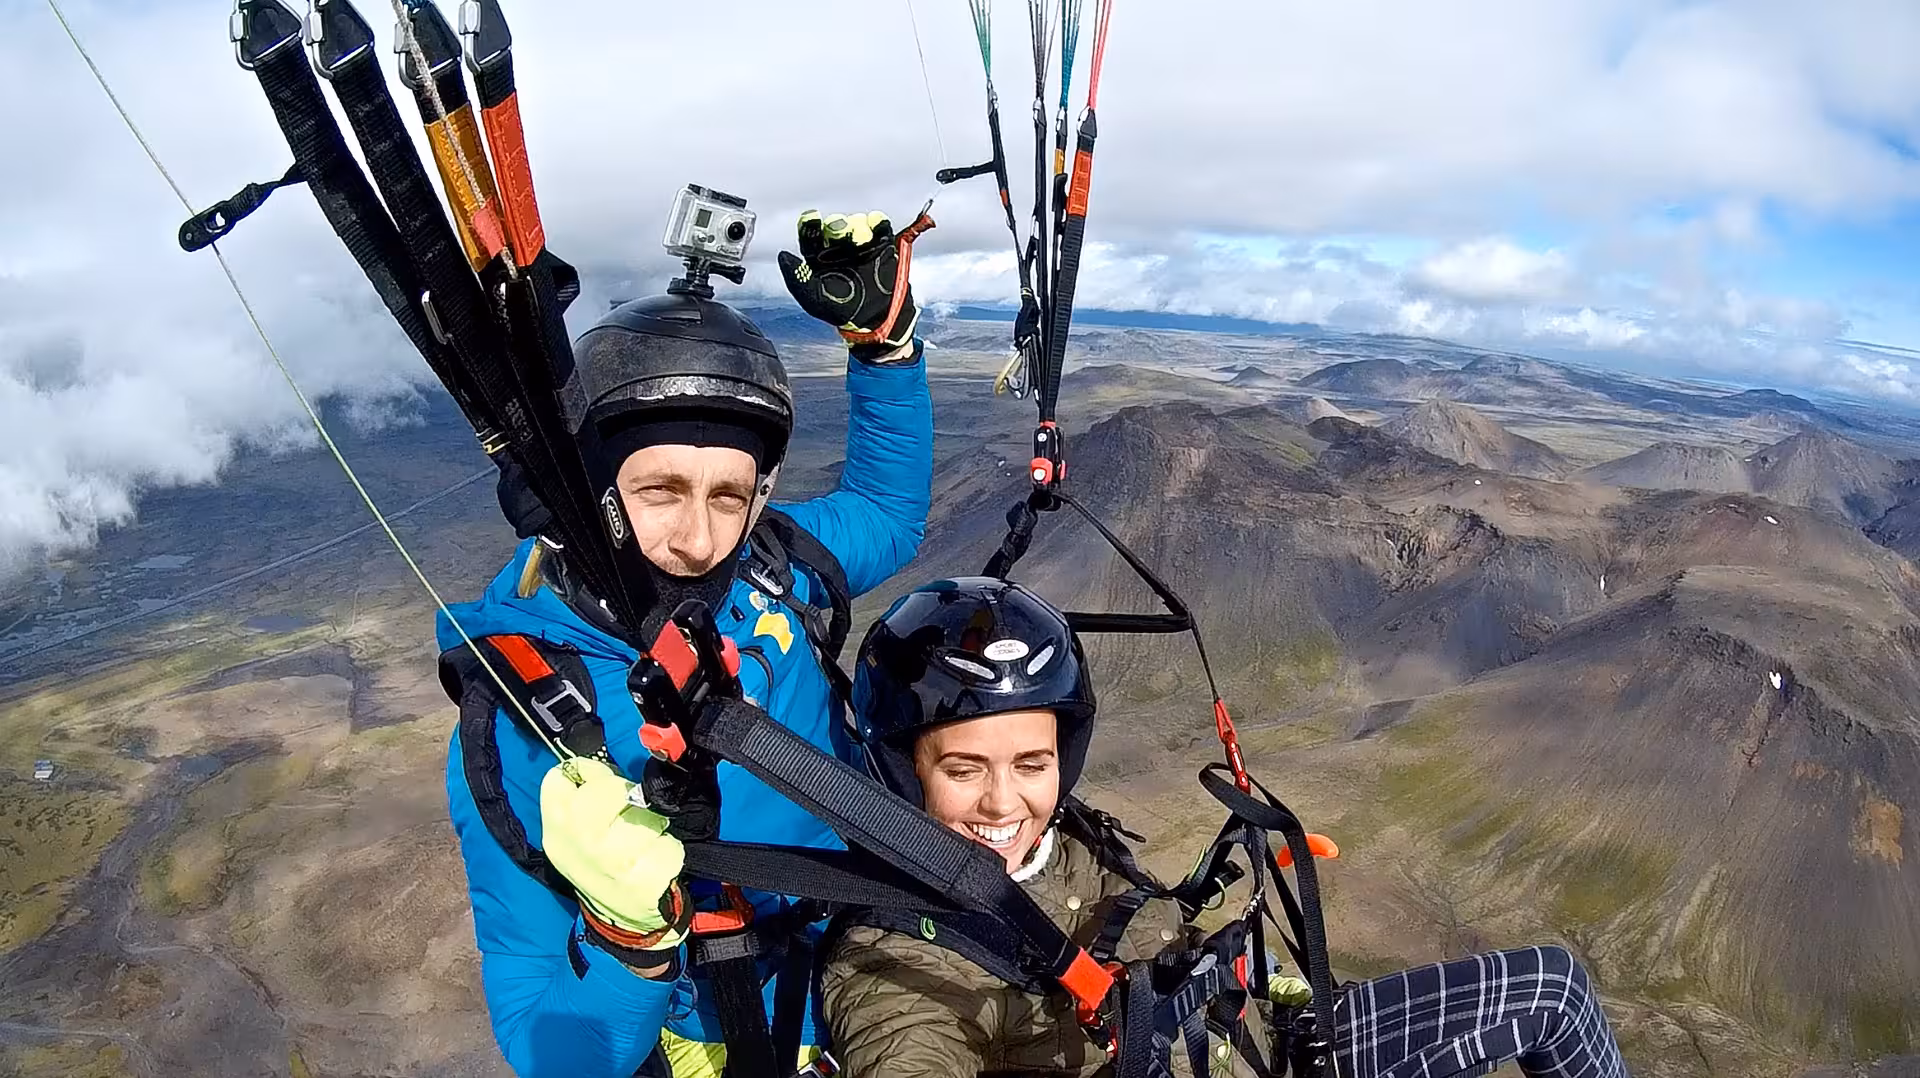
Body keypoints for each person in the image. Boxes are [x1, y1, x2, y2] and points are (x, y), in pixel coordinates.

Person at [439, 207, 934, 1078]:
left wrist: (884, 347)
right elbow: (549, 1047)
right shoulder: (522, 716)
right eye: (660, 490)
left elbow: (886, 518)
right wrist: (626, 942)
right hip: (704, 1034)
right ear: (588, 491)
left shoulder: (775, 566)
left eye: (728, 494)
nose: (700, 540)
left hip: (876, 974)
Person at [822, 576, 1633, 1078]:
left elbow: (1146, 925)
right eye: (964, 771)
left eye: (1031, 764)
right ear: (904, 771)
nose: (1004, 805)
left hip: (1273, 1041)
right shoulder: (897, 961)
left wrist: (1244, 965)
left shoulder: (1059, 843)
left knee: (1551, 987)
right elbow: (906, 1048)